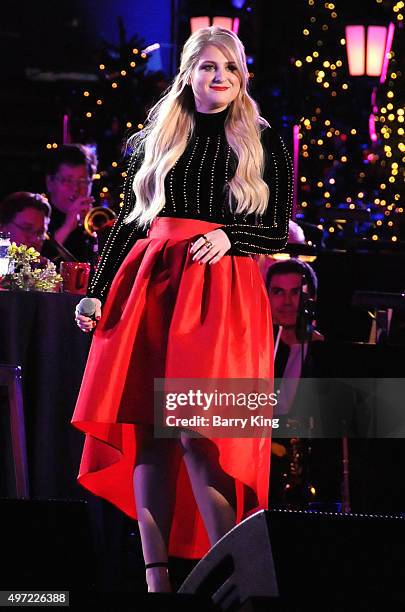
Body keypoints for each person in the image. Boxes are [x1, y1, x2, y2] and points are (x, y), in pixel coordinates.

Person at [72, 26, 292, 593]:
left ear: (242, 77)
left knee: (200, 429)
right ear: (188, 72)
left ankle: (228, 577)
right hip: (149, 286)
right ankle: (158, 582)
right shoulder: (158, 136)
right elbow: (129, 221)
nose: (219, 78)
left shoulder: (264, 141)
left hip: (218, 292)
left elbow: (277, 227)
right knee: (149, 433)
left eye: (231, 69)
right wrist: (97, 288)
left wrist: (230, 235)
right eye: (207, 67)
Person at [43, 144, 98, 263]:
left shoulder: (97, 220)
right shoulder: (37, 216)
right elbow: (35, 265)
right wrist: (67, 226)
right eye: (68, 181)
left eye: (83, 181)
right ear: (50, 182)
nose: (76, 189)